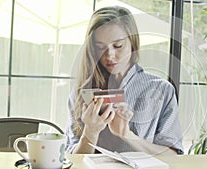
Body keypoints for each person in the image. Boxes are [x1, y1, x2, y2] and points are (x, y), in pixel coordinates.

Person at [65, 6, 183, 155]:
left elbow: (173, 156)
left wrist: (127, 135)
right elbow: (71, 160)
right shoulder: (81, 93)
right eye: (100, 47)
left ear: (132, 42)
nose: (109, 55)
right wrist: (90, 133)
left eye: (118, 46)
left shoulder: (161, 90)